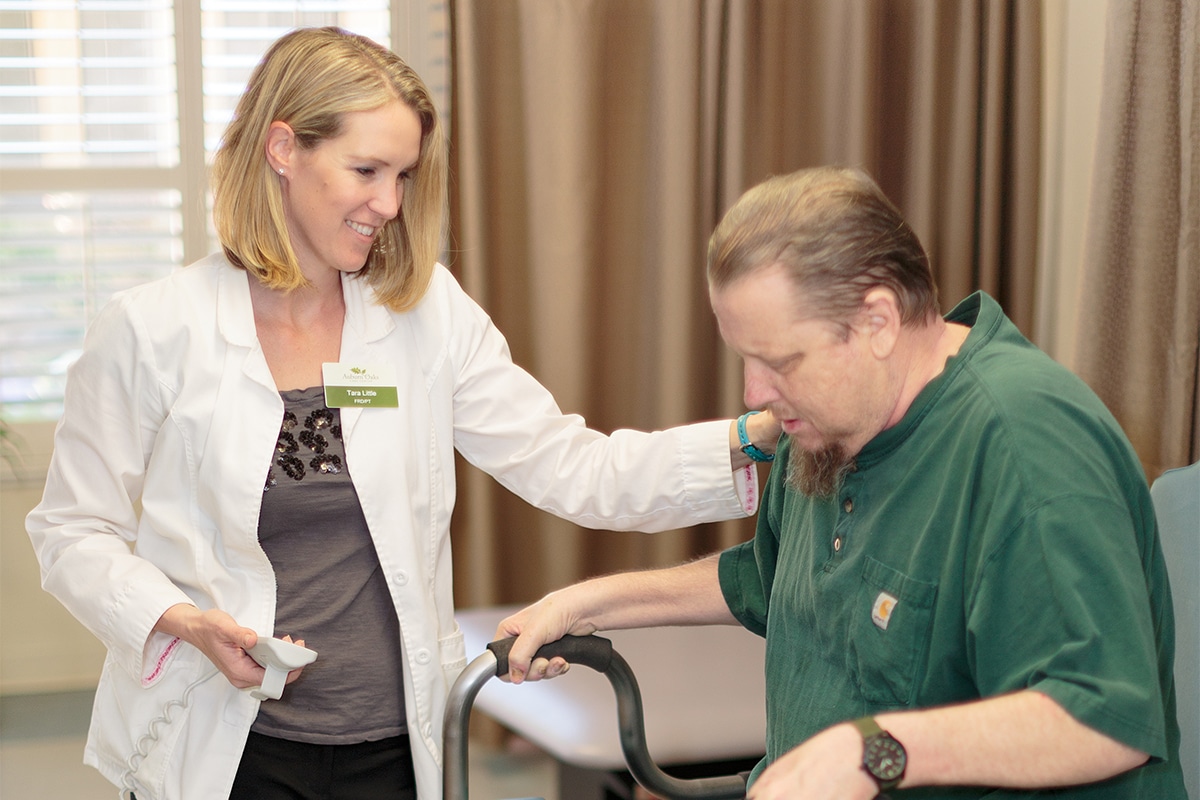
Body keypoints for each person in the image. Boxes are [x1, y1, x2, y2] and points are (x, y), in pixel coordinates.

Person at [24, 27, 780, 800]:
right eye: (367, 170)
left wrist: (758, 442)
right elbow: (72, 530)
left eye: (404, 175)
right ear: (283, 148)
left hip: (392, 745)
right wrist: (180, 618)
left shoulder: (425, 317)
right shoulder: (153, 330)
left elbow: (575, 468)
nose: (389, 203)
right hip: (224, 741)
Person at [499, 166, 1187, 799]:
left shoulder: (1026, 449)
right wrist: (590, 601)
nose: (754, 392)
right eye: (745, 358)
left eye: (780, 361)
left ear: (878, 322)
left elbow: (1108, 720)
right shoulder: (831, 422)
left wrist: (875, 753)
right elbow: (776, 579)